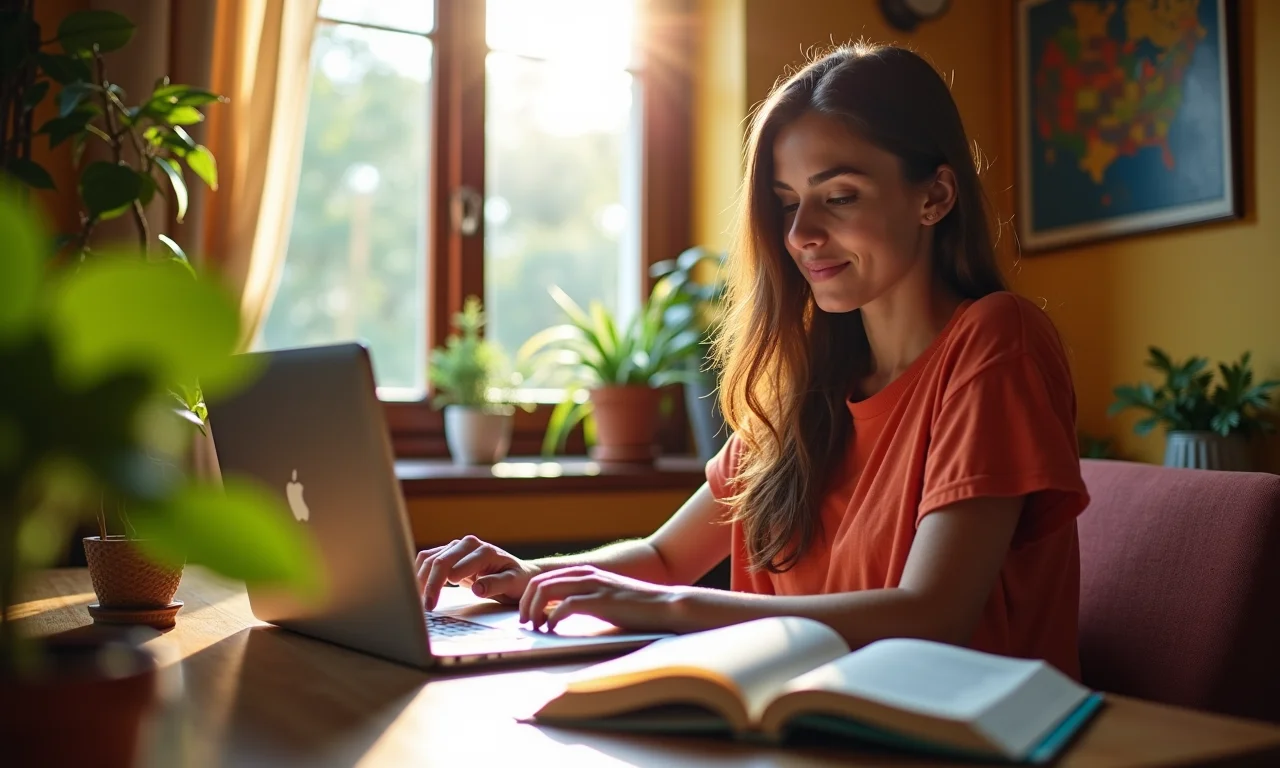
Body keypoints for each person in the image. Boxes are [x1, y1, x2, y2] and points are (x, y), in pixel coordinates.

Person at [415, 42, 1090, 678]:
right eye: (788, 202)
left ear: (934, 197)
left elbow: (933, 615)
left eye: (840, 196)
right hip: (793, 731)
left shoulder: (997, 341)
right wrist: (530, 575)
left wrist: (679, 612)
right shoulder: (807, 382)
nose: (800, 235)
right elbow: (666, 556)